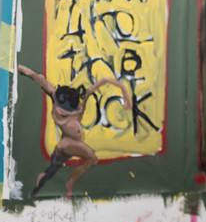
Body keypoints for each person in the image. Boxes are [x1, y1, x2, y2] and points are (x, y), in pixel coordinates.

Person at [17, 64, 131, 197]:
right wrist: (19, 68)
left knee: (50, 173)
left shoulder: (81, 102)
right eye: (61, 113)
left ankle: (52, 179)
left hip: (68, 146)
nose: (61, 113)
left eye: (67, 113)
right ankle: (68, 182)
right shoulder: (54, 93)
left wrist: (125, 92)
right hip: (67, 143)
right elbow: (34, 75)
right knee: (92, 158)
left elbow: (104, 80)